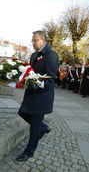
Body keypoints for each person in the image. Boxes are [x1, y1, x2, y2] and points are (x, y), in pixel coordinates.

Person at [16, 30, 59, 162]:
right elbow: (31, 71)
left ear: (43, 40)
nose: (33, 43)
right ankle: (43, 128)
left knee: (34, 126)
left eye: (35, 40)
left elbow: (51, 76)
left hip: (41, 95)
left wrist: (38, 84)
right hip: (31, 93)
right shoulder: (34, 54)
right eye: (32, 40)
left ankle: (29, 152)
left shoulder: (51, 55)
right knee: (22, 112)